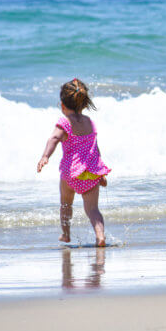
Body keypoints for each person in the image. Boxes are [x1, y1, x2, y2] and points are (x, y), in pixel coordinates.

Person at [37, 78, 111, 246]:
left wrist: (45, 156)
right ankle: (100, 236)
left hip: (71, 175)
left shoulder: (65, 122)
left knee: (65, 204)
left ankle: (66, 234)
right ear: (83, 104)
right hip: (91, 173)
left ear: (62, 105)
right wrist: (101, 172)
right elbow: (95, 148)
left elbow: (54, 138)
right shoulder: (89, 123)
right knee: (93, 210)